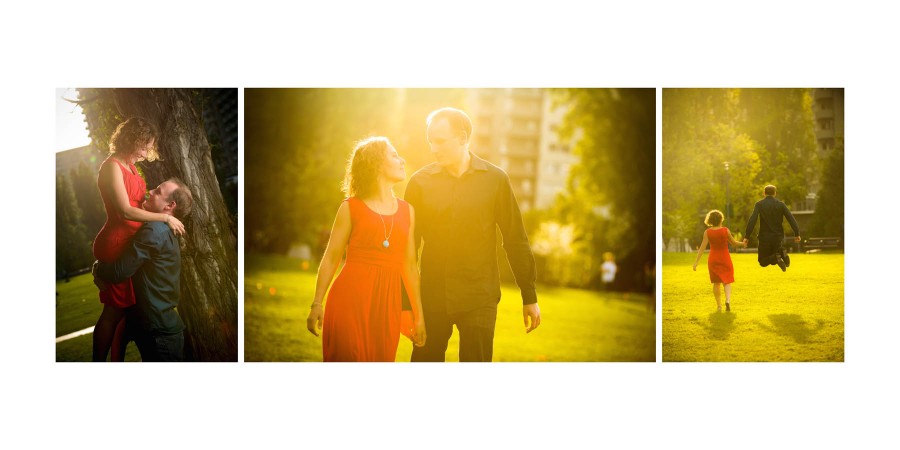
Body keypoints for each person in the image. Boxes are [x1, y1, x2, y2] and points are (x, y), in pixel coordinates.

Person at [405, 107, 541, 362]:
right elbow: (408, 248)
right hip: (432, 296)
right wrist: (406, 303)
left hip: (479, 296)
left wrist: (529, 295)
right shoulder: (419, 183)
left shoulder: (496, 180)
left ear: (463, 137)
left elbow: (515, 238)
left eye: (441, 141)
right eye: (431, 141)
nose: (434, 148)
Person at [306, 137, 426, 362]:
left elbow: (410, 266)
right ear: (377, 164)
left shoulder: (407, 211)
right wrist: (317, 303)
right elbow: (331, 257)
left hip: (387, 308)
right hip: (348, 303)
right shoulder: (350, 207)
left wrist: (419, 317)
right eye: (393, 155)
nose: (402, 160)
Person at [92, 118, 185, 362]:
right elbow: (124, 211)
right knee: (113, 312)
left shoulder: (132, 167)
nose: (146, 152)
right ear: (133, 140)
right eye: (144, 146)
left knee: (127, 313)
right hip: (118, 239)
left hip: (133, 239)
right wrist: (164, 219)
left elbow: (139, 200)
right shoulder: (111, 166)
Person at [93, 178, 193, 362]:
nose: (151, 191)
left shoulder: (154, 231)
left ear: (170, 205)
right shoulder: (160, 228)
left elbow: (118, 273)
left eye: (158, 191)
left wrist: (99, 268)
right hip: (158, 328)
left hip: (158, 334)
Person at [693, 209, 746, 312]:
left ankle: (719, 306)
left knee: (716, 283)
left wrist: (696, 262)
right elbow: (734, 243)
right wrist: (743, 243)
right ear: (721, 220)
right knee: (727, 281)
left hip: (713, 259)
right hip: (725, 258)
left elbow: (702, 248)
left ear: (710, 220)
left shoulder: (707, 232)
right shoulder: (725, 230)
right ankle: (728, 300)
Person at [743, 185, 800, 272]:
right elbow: (791, 218)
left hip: (764, 238)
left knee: (763, 261)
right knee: (775, 258)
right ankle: (781, 252)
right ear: (775, 193)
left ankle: (779, 255)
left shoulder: (759, 204)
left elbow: (752, 220)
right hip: (778, 238)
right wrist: (797, 233)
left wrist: (747, 236)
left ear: (764, 193)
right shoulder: (781, 205)